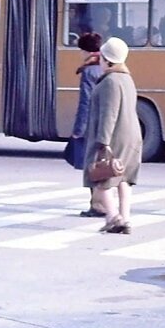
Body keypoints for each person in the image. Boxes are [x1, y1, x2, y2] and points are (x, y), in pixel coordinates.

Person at [83, 37, 142, 235]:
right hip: (132, 135)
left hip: (115, 135)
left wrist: (103, 141)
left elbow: (109, 113)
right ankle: (125, 218)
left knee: (101, 177)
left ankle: (113, 217)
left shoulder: (110, 81)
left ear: (108, 61)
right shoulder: (127, 78)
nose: (99, 61)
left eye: (102, 58)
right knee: (123, 178)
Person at [68, 32, 106, 218]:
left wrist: (78, 130)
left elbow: (85, 103)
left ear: (85, 51)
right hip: (105, 124)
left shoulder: (89, 71)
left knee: (91, 166)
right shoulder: (106, 66)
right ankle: (102, 203)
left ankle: (97, 205)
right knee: (102, 165)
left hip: (91, 125)